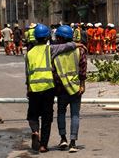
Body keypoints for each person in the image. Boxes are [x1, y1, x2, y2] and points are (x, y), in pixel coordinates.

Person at [25, 23, 76, 154]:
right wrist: (78, 45)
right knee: (47, 117)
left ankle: (35, 131)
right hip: (48, 87)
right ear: (47, 37)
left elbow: (27, 73)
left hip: (34, 88)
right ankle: (43, 145)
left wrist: (28, 88)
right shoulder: (51, 49)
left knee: (33, 115)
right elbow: (68, 45)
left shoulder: (29, 54)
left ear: (35, 38)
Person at [53, 25, 86, 153]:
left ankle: (63, 139)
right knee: (75, 115)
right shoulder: (80, 51)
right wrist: (82, 85)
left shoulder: (56, 51)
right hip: (76, 87)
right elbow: (83, 69)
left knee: (61, 113)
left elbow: (54, 72)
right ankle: (73, 143)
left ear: (60, 37)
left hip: (61, 89)